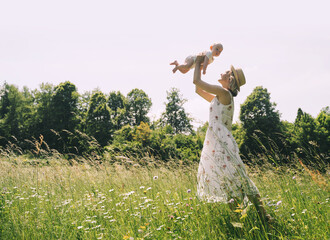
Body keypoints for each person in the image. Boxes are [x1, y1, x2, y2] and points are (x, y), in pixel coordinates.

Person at [193, 56, 274, 224]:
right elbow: (198, 89)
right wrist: (199, 66)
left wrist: (197, 62)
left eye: (226, 72)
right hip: (218, 142)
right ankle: (247, 219)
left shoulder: (223, 93)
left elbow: (197, 81)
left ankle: (258, 217)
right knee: (231, 180)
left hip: (222, 143)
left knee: (236, 178)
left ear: (229, 79)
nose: (222, 71)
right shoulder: (219, 96)